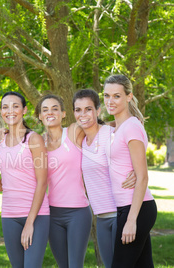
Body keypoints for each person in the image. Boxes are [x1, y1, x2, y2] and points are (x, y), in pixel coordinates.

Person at [73, 88, 136, 268]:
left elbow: (134, 148)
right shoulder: (81, 142)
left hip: (120, 213)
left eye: (88, 109)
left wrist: (137, 172)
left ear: (98, 111)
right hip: (100, 217)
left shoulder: (110, 133)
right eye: (78, 110)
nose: (83, 114)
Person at [103, 74, 157, 267]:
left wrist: (132, 220)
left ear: (128, 96)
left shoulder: (131, 127)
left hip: (137, 208)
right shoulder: (118, 128)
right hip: (127, 207)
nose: (110, 101)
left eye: (116, 96)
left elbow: (142, 177)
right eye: (107, 95)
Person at [0, 91, 49, 268]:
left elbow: (42, 182)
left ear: (24, 110)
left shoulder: (33, 139)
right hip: (9, 215)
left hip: (36, 215)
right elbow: (6, 181)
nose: (10, 111)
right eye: (5, 107)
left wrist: (30, 222)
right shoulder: (1, 140)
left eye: (15, 106)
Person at [35, 94, 92, 268]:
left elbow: (107, 129)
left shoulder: (74, 131)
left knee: (75, 265)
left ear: (63, 113)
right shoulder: (38, 143)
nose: (49, 113)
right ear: (39, 116)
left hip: (78, 212)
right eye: (45, 110)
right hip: (51, 213)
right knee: (63, 265)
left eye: (54, 109)